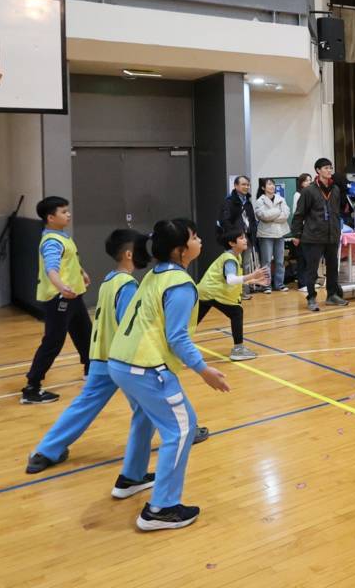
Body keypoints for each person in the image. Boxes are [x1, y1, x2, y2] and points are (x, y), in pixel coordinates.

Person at [108, 219, 234, 531]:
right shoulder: (179, 285)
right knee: (181, 428)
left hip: (120, 362)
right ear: (180, 251)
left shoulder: (154, 274)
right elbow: (177, 338)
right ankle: (161, 508)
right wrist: (204, 370)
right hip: (145, 367)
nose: (200, 240)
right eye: (194, 236)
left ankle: (132, 477)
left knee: (145, 417)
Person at [25, 229, 149, 474]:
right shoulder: (127, 285)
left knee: (84, 405)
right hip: (122, 360)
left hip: (101, 357)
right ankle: (183, 430)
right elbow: (128, 326)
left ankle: (45, 450)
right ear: (129, 254)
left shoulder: (109, 279)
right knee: (156, 397)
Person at [24, 196, 91, 404]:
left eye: (67, 210)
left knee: (86, 335)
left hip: (74, 297)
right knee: (53, 341)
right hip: (60, 298)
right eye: (63, 212)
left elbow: (68, 260)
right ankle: (32, 388)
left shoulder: (61, 236)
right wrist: (62, 286)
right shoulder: (52, 241)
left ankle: (92, 374)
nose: (68, 214)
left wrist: (81, 272)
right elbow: (51, 268)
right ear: (50, 217)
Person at [196, 226, 269, 361]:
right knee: (236, 312)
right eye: (241, 238)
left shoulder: (234, 257)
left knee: (193, 322)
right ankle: (238, 350)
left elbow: (231, 280)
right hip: (213, 292)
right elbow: (231, 280)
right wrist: (252, 275)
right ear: (232, 243)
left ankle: (172, 345)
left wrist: (253, 280)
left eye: (244, 237)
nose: (245, 240)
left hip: (205, 292)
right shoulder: (229, 259)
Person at [291, 157, 348, 312]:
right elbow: (299, 214)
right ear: (318, 170)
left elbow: (336, 212)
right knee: (312, 269)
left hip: (332, 235)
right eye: (326, 168)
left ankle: (332, 295)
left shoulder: (335, 189)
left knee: (332, 268)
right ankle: (311, 297)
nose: (330, 170)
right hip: (313, 237)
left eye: (331, 167)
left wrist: (337, 229)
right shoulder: (309, 190)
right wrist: (296, 234)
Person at [217, 175, 259, 298]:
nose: (246, 187)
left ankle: (244, 291)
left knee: (246, 265)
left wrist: (252, 234)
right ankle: (233, 292)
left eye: (248, 184)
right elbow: (225, 220)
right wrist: (234, 236)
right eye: (243, 184)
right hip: (234, 239)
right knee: (233, 265)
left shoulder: (248, 202)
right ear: (236, 186)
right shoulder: (229, 201)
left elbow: (251, 220)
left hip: (247, 237)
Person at [253, 177, 291, 292]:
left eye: (273, 184)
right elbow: (263, 216)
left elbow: (286, 215)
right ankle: (266, 285)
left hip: (280, 233)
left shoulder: (281, 199)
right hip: (266, 234)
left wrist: (273, 216)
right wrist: (277, 211)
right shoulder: (260, 201)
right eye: (269, 184)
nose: (272, 186)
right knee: (266, 261)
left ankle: (279, 284)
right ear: (263, 187)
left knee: (280, 261)